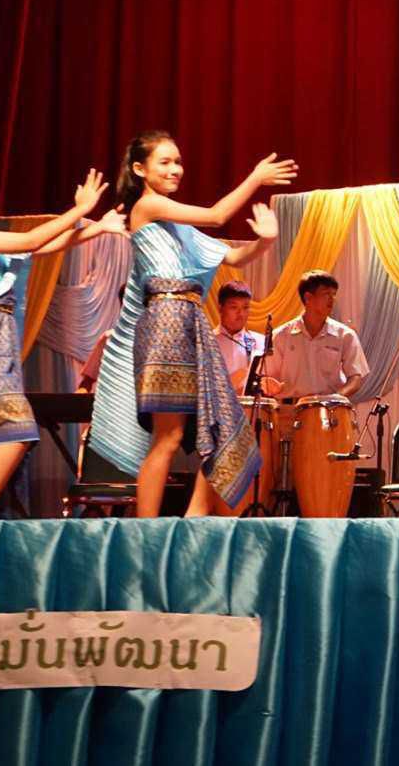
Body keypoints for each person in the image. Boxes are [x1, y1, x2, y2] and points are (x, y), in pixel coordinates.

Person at [95, 131, 296, 518]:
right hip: (167, 318)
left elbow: (234, 257)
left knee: (222, 425)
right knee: (168, 436)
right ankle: (146, 529)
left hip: (189, 320)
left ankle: (193, 518)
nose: (175, 169)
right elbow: (218, 215)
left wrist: (266, 241)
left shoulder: (176, 224)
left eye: (178, 162)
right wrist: (255, 177)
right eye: (165, 162)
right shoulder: (148, 206)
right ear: (140, 169)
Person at [0, 166, 120, 519]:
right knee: (17, 434)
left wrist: (97, 228)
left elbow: (39, 248)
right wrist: (80, 210)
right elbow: (29, 241)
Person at [264, 269, 370, 401]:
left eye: (334, 294)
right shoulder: (281, 336)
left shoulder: (345, 335)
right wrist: (269, 384)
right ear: (308, 297)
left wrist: (337, 397)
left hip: (329, 408)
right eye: (326, 294)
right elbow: (267, 376)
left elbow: (356, 377)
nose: (332, 299)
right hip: (289, 408)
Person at [213, 281, 264, 394]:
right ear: (220, 308)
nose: (241, 314)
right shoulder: (208, 342)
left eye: (245, 307)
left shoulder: (260, 342)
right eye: (234, 307)